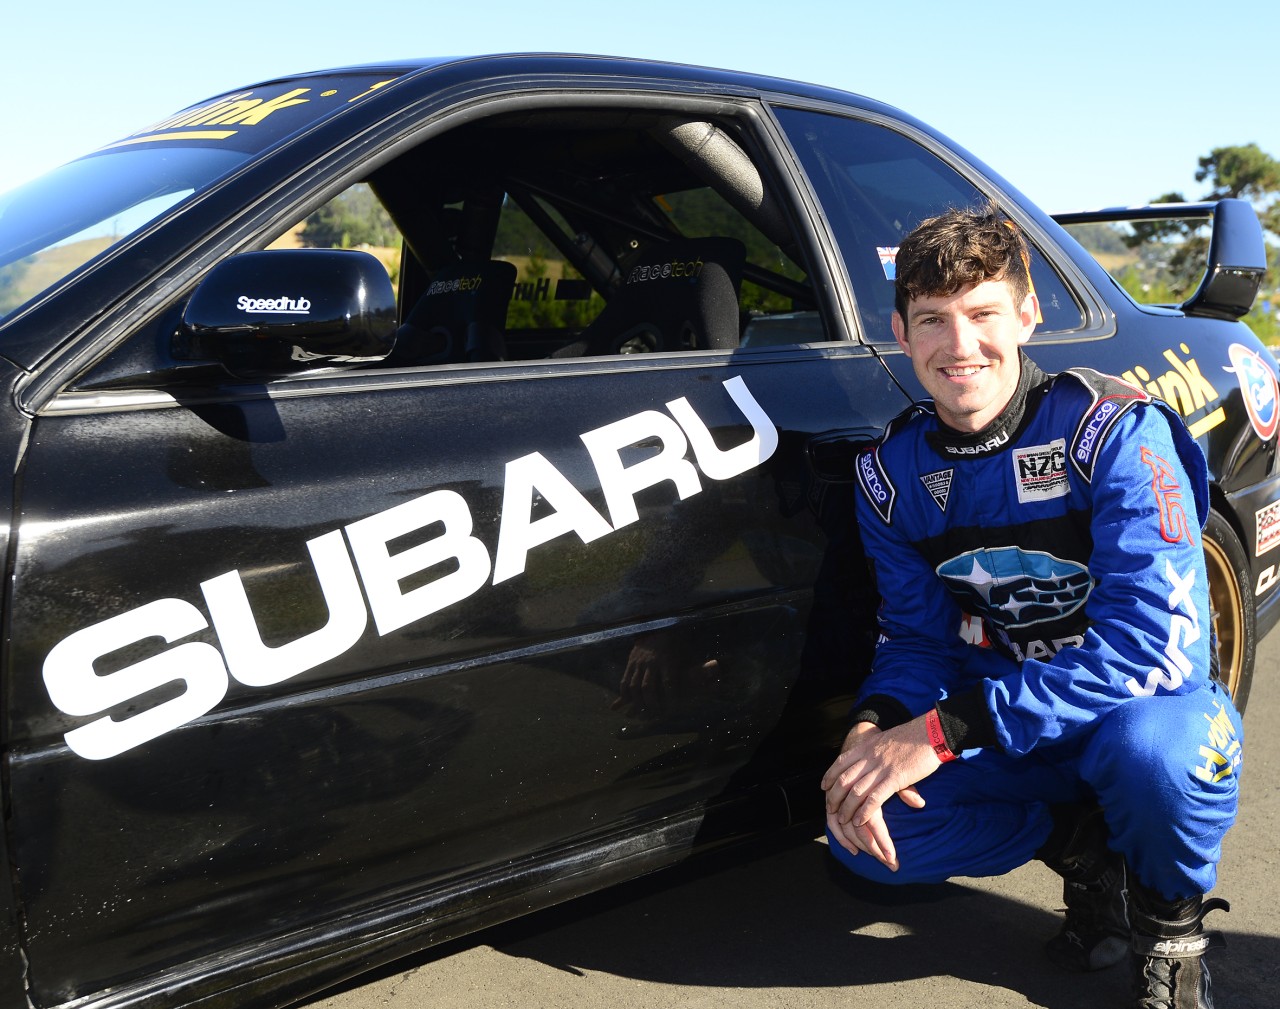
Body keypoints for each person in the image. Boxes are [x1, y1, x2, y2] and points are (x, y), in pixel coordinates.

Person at [822, 204, 1243, 1008]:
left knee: (1159, 759)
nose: (960, 345)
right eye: (933, 321)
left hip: (1145, 715)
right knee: (863, 826)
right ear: (901, 333)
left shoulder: (1113, 431)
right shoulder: (891, 473)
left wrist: (944, 730)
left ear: (1026, 315)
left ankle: (1172, 926)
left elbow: (1151, 651)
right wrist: (874, 726)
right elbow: (917, 639)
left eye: (982, 314)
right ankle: (1086, 853)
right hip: (1019, 726)